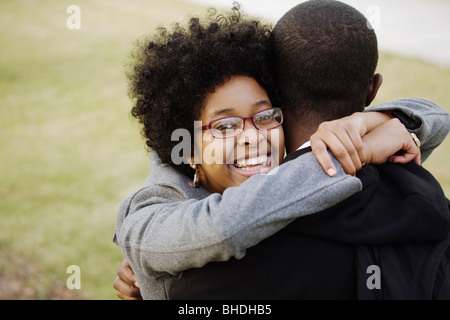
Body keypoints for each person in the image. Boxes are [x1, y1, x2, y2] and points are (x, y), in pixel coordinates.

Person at [113, 2, 450, 300]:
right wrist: (357, 150)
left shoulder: (284, 183)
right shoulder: (147, 221)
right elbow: (225, 227)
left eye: (264, 116)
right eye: (225, 125)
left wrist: (373, 122)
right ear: (185, 147)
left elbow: (436, 117)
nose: (252, 137)